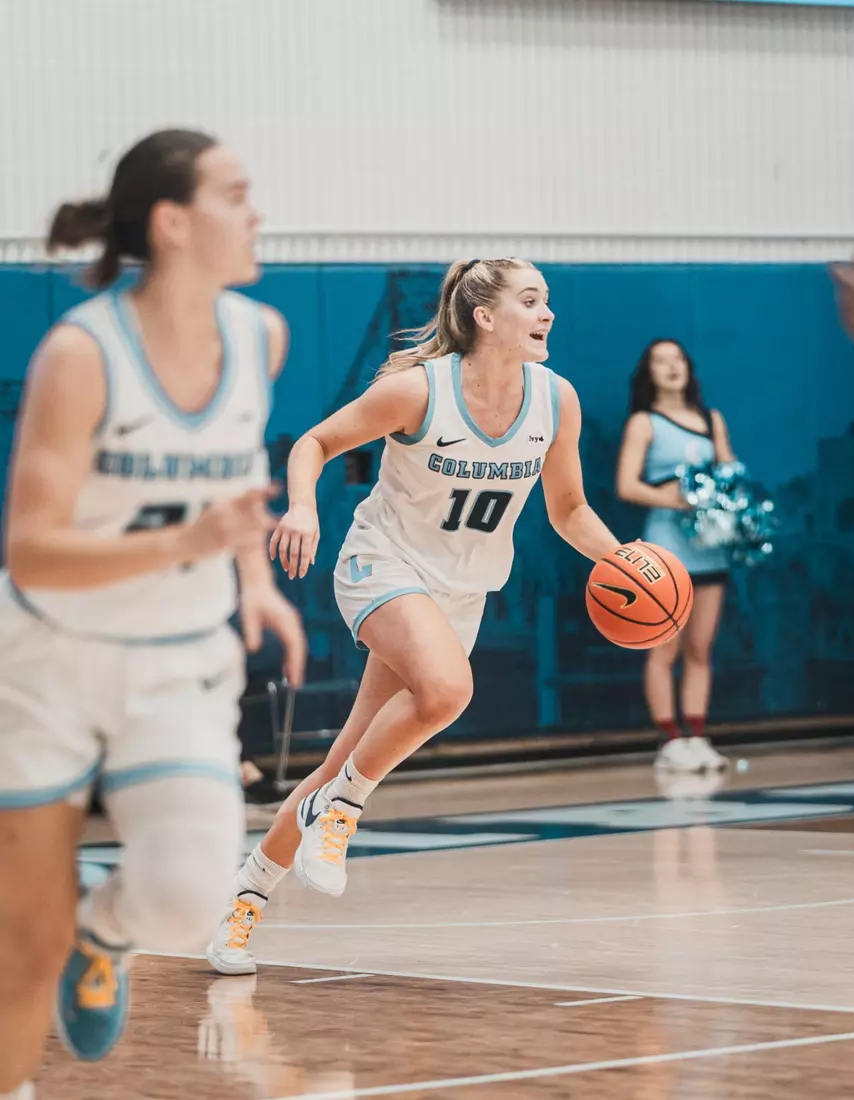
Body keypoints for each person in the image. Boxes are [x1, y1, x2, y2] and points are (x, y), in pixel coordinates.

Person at [206, 256, 621, 975]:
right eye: (530, 300)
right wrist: (302, 506)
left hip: (460, 594)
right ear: (485, 317)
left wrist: (621, 560)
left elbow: (569, 509)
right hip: (382, 567)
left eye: (547, 299)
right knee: (447, 691)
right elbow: (314, 443)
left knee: (342, 758)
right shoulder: (417, 392)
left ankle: (246, 899)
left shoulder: (557, 400)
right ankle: (342, 813)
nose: (547, 312)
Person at [0, 128, 306, 1099]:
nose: (257, 212)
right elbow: (31, 546)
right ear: (173, 221)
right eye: (236, 193)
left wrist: (253, 578)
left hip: (177, 657)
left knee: (183, 895)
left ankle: (109, 932)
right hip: (51, 655)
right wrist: (189, 544)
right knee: (22, 942)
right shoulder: (81, 353)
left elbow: (238, 482)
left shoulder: (260, 335)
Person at [616, 339, 733, 774]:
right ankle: (670, 739)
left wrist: (724, 491)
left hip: (709, 548)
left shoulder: (710, 419)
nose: (671, 367)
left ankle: (698, 736)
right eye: (660, 361)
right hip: (665, 552)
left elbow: (729, 472)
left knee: (701, 648)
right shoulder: (644, 423)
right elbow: (627, 486)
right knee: (664, 649)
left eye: (677, 359)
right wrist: (674, 499)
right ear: (649, 373)